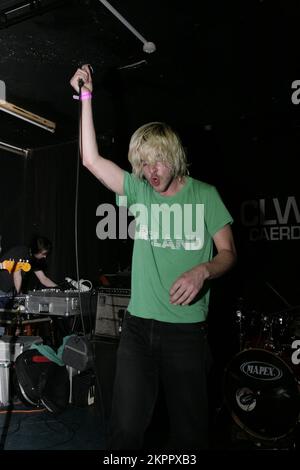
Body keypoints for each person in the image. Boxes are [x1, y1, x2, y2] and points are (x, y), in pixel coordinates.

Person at [70, 65, 237, 449]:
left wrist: (204, 270)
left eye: (156, 162)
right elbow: (91, 159)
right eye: (143, 164)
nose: (150, 172)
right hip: (138, 331)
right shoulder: (139, 192)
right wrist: (86, 98)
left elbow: (229, 253)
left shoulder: (205, 195)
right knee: (125, 431)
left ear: (174, 156)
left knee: (189, 436)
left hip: (186, 334)